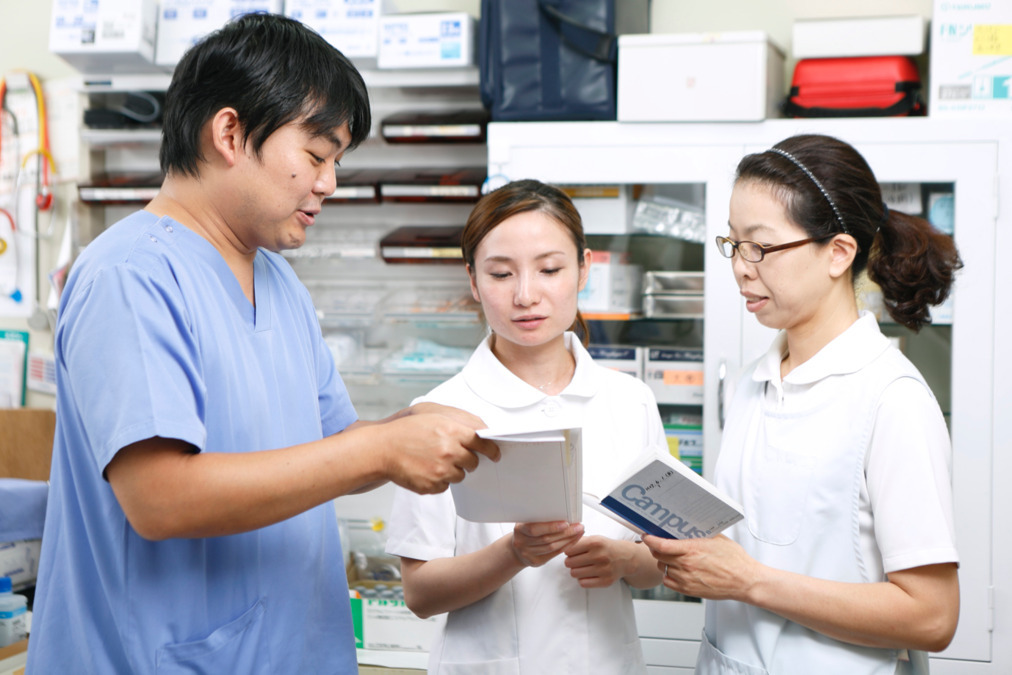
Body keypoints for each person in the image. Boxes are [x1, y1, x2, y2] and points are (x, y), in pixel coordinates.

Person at [27, 14, 498, 674]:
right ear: (229, 133)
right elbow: (159, 497)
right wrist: (381, 448)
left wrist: (418, 429)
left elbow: (333, 447)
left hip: (295, 649)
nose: (329, 183)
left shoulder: (277, 281)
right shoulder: (129, 276)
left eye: (336, 163)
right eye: (316, 155)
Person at [644, 133, 962, 674]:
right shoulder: (752, 382)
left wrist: (749, 580)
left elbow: (932, 617)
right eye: (733, 244)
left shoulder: (893, 400)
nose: (741, 267)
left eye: (760, 247)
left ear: (838, 253)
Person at [384, 179, 667, 674]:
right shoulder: (437, 413)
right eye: (500, 274)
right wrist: (513, 553)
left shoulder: (631, 402)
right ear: (473, 281)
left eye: (550, 270)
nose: (526, 295)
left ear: (584, 268)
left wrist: (625, 562)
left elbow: (660, 562)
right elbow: (420, 593)